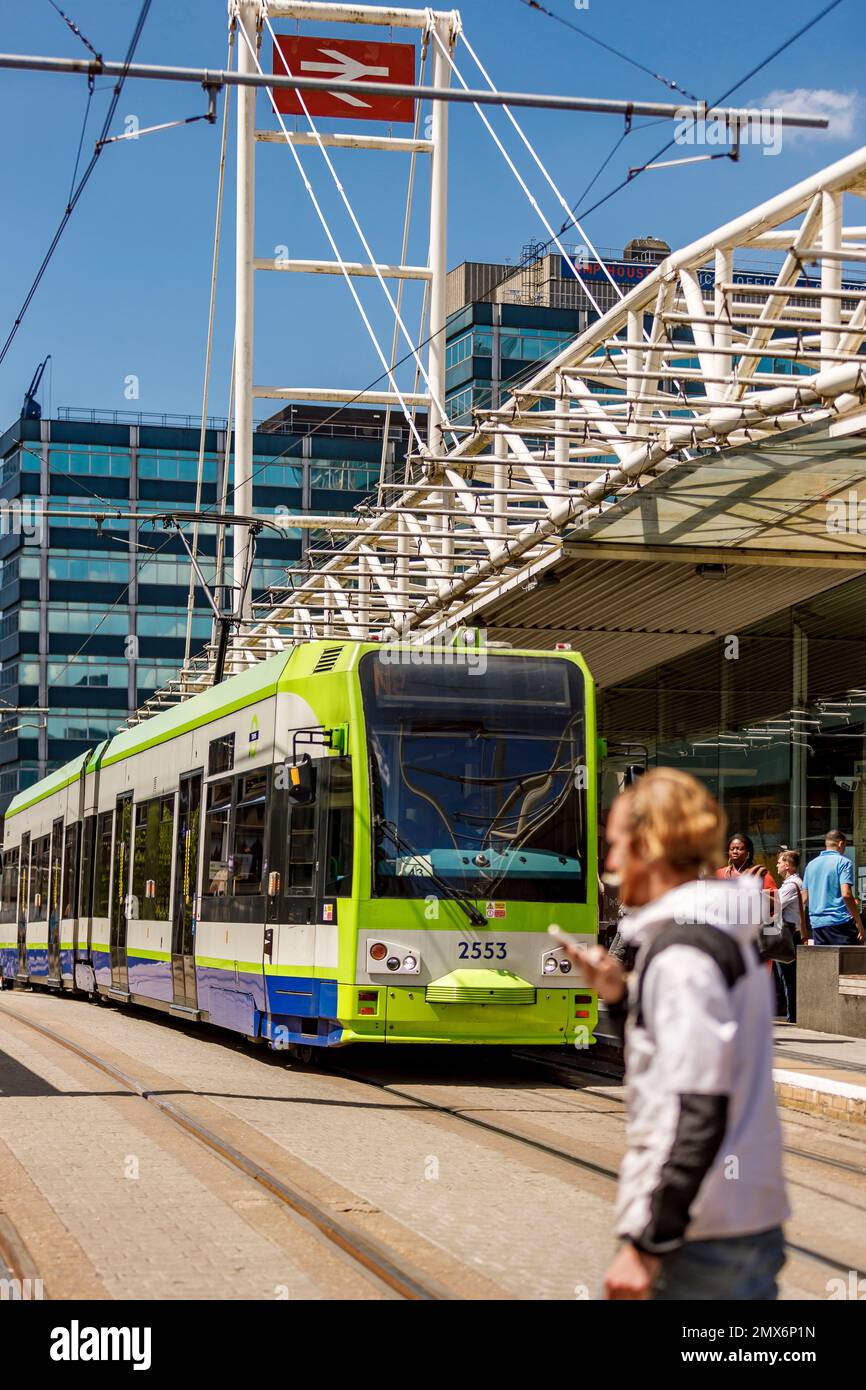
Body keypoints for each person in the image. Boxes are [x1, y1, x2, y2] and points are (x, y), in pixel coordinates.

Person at [564, 769, 788, 1301]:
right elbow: (680, 1057)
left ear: (649, 846)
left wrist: (646, 1244)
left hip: (700, 1235)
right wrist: (620, 998)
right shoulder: (715, 930)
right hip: (730, 1223)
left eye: (617, 845)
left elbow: (698, 1107)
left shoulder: (683, 953)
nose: (611, 864)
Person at [802, 829, 865, 946]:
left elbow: (804, 899)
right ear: (841, 843)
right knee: (850, 962)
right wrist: (859, 923)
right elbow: (846, 894)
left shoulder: (810, 865)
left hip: (817, 925)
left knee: (825, 962)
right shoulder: (843, 862)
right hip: (840, 923)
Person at [774, 849, 808, 1022]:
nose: (777, 865)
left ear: (787, 865)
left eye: (779, 862)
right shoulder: (796, 883)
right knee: (787, 977)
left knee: (787, 978)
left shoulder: (790, 886)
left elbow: (773, 904)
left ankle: (792, 1016)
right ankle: (792, 1014)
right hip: (791, 934)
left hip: (787, 936)